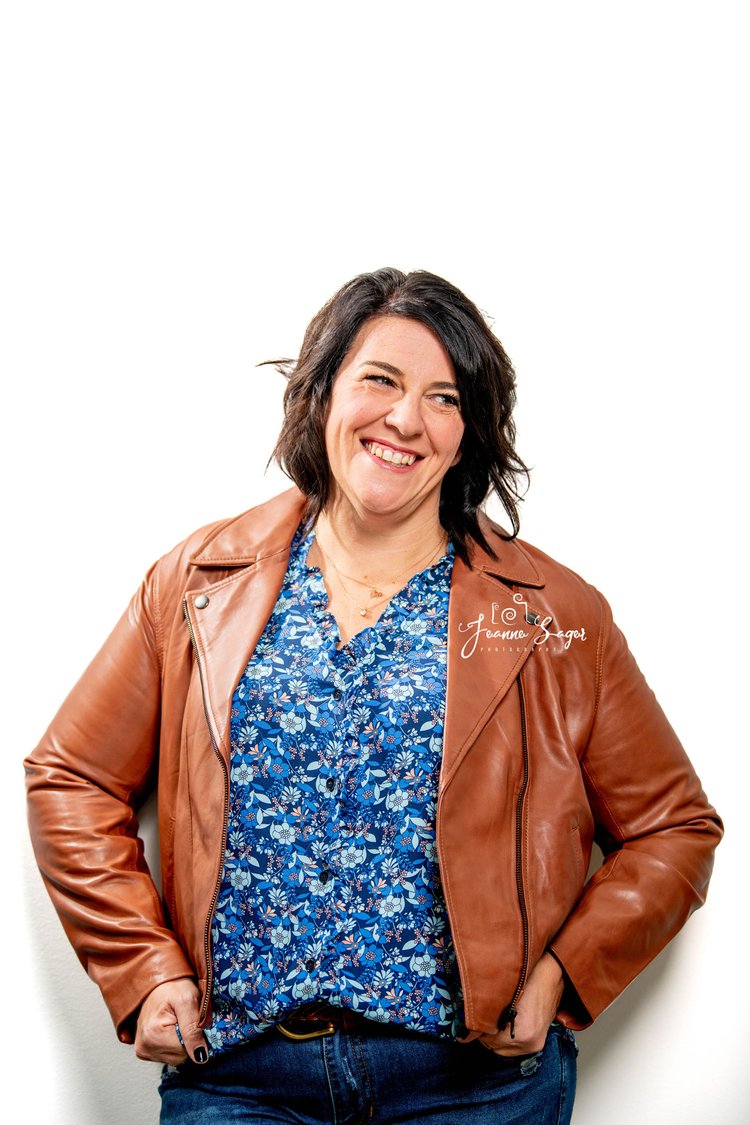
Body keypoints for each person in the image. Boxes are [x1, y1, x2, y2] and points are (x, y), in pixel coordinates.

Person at [25, 267, 722, 1124]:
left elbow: (674, 826)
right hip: (240, 1078)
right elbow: (70, 777)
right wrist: (144, 966)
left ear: (468, 434)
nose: (405, 419)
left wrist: (564, 975)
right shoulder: (198, 582)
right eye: (381, 380)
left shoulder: (555, 617)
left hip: (475, 1087)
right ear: (322, 393)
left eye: (445, 397)